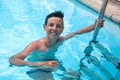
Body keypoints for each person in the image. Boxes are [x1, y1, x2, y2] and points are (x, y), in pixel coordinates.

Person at [9, 11, 104, 80]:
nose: (54, 28)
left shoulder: (60, 40)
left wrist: (95, 25)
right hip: (37, 69)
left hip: (53, 64)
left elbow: (77, 32)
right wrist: (41, 64)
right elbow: (13, 60)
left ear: (62, 29)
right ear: (44, 27)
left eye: (58, 26)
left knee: (75, 75)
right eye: (51, 25)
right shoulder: (35, 46)